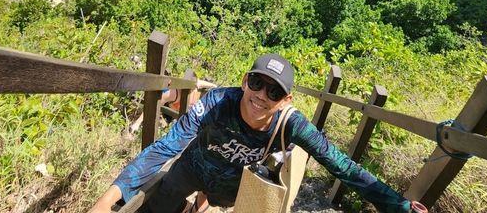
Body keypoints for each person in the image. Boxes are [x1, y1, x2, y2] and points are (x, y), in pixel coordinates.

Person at [88, 53, 426, 213]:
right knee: (156, 209)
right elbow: (166, 147)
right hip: (190, 167)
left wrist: (400, 206)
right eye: (256, 82)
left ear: (286, 100)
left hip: (232, 186)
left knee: (210, 201)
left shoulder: (292, 125)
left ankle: (201, 204)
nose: (261, 96)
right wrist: (110, 197)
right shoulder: (219, 101)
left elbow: (343, 167)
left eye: (274, 92)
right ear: (244, 79)